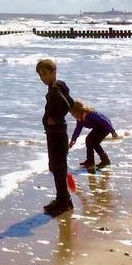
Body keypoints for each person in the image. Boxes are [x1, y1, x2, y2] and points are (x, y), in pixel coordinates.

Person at [37, 58, 74, 216]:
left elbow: (66, 105)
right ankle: (65, 199)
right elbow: (71, 103)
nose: (42, 78)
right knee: (59, 167)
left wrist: (56, 119)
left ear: (53, 72)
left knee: (57, 167)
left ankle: (62, 202)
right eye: (40, 75)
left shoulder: (54, 89)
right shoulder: (59, 85)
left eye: (45, 73)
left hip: (56, 133)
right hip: (58, 132)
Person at [69, 101, 118, 169]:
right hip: (97, 128)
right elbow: (78, 129)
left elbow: (104, 122)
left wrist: (113, 132)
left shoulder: (90, 115)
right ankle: (90, 161)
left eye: (72, 113)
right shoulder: (80, 118)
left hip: (105, 127)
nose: (72, 115)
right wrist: (73, 140)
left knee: (94, 143)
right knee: (88, 140)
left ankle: (105, 160)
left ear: (78, 111)